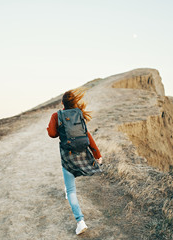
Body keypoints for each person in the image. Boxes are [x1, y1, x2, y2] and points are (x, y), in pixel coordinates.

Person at [47, 88, 103, 235]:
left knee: (71, 190)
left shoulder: (56, 115)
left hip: (68, 156)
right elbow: (87, 134)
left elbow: (52, 134)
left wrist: (56, 128)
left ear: (62, 102)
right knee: (71, 184)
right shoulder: (79, 114)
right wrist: (97, 154)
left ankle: (80, 221)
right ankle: (68, 189)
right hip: (82, 154)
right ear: (75, 102)